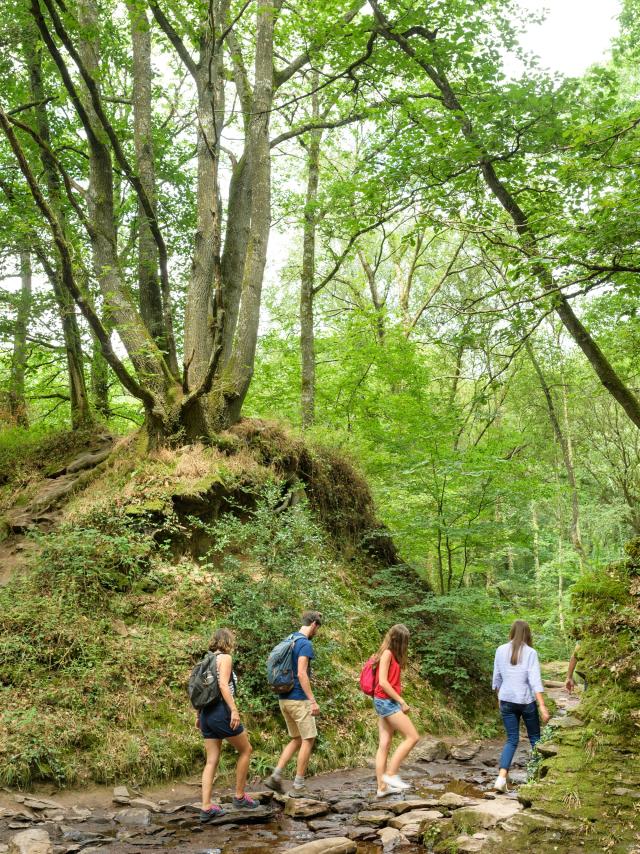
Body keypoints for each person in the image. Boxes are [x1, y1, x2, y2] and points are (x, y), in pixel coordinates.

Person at [196, 628, 259, 822]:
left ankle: (206, 808)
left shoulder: (204, 661)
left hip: (206, 714)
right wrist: (234, 710)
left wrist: (199, 715)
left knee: (211, 761)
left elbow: (201, 690)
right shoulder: (225, 658)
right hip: (221, 711)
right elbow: (223, 685)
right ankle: (239, 796)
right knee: (246, 750)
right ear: (227, 642)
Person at [264, 611, 322, 797]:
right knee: (308, 739)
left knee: (296, 738)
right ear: (313, 624)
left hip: (284, 699)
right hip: (298, 699)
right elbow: (301, 674)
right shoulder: (305, 644)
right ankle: (298, 786)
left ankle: (276, 776)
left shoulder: (290, 639)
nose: (317, 632)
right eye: (317, 628)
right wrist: (312, 701)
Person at [492, 619, 550, 792]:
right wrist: (542, 706)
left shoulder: (500, 650)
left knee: (511, 740)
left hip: (507, 701)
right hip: (526, 701)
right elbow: (535, 680)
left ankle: (501, 779)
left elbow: (497, 678)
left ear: (511, 632)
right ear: (527, 634)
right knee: (534, 738)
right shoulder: (531, 652)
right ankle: (538, 776)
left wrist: (499, 697)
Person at [371, 623, 420, 798]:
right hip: (386, 702)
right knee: (413, 737)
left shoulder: (388, 654)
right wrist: (401, 701)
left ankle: (382, 787)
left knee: (384, 744)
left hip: (383, 701)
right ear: (399, 641)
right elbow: (383, 682)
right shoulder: (387, 654)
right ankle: (390, 774)